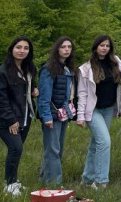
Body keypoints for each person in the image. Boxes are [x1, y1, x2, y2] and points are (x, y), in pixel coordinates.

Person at [76, 35, 121, 189]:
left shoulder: (115, 62)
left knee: (95, 144)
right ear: (95, 47)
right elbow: (82, 93)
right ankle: (101, 181)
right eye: (102, 45)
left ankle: (87, 178)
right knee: (104, 142)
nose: (104, 48)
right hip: (93, 110)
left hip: (108, 109)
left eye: (107, 46)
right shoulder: (86, 68)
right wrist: (80, 116)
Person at [0, 36, 38, 197]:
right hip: (8, 121)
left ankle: (13, 180)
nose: (22, 51)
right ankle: (10, 184)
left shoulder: (29, 69)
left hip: (25, 118)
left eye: (26, 48)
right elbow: (0, 100)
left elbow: (30, 86)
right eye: (18, 47)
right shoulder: (2, 72)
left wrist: (34, 89)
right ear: (12, 49)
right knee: (15, 148)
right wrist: (10, 120)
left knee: (17, 150)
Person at [38, 36, 76, 187]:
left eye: (69, 47)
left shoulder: (67, 68)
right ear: (57, 49)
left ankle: (44, 180)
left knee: (56, 149)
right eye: (63, 47)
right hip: (51, 115)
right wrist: (46, 116)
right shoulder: (48, 69)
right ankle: (55, 184)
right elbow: (44, 96)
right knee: (53, 150)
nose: (66, 49)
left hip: (63, 114)